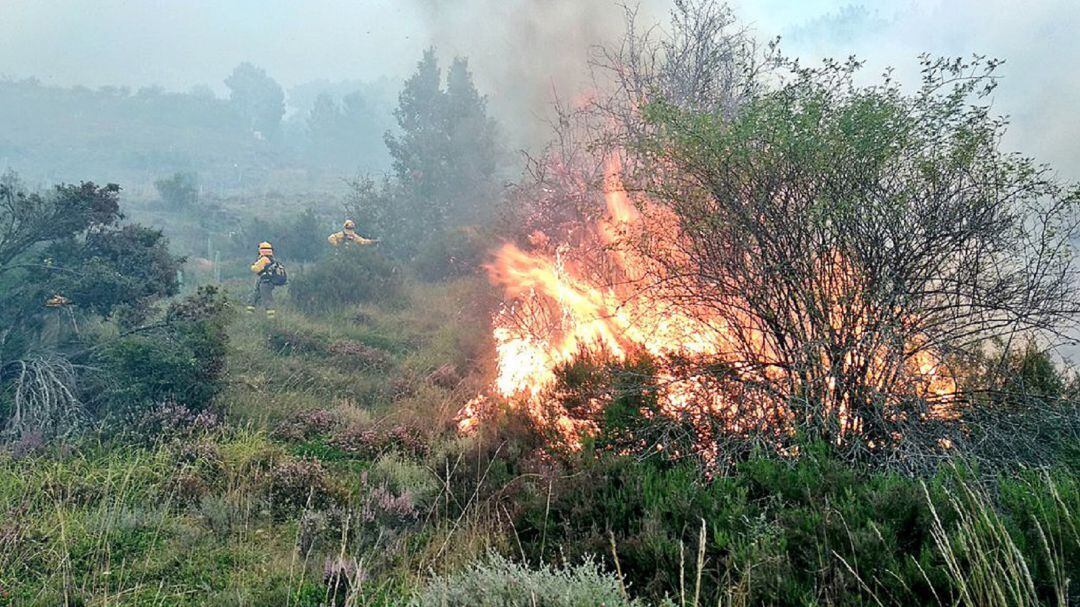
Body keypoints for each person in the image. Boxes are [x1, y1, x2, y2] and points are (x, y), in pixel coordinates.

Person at [247, 241, 282, 318]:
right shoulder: (272, 259)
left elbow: (256, 269)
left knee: (266, 298)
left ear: (261, 250)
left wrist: (253, 265)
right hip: (268, 282)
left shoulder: (264, 259)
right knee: (255, 295)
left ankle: (270, 317)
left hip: (265, 282)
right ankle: (250, 314)